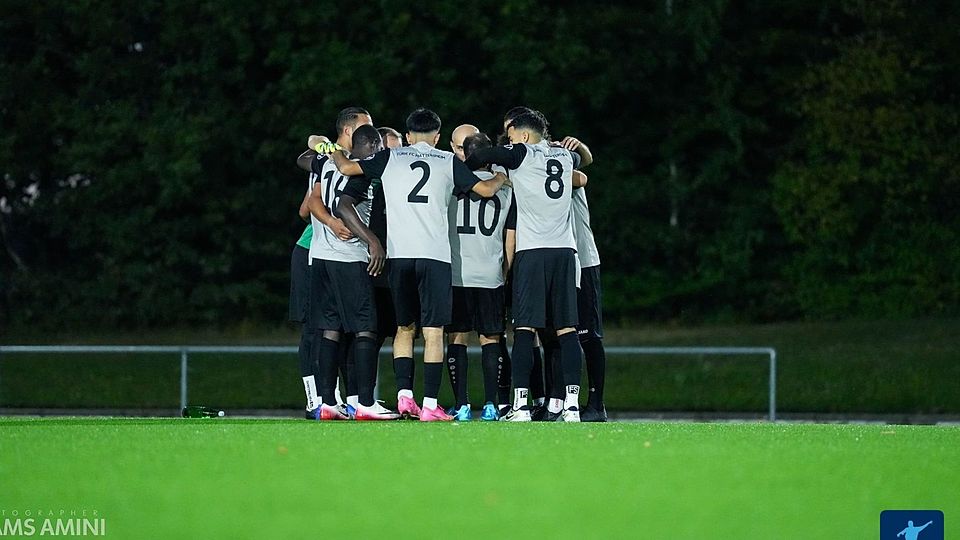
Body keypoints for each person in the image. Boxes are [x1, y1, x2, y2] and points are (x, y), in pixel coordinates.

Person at [328, 107, 507, 421]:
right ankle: (429, 406)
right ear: (437, 137)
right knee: (434, 331)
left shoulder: (390, 158)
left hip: (399, 255)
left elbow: (345, 166)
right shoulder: (448, 161)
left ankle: (404, 397)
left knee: (403, 328)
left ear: (408, 135)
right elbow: (485, 189)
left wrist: (324, 146)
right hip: (434, 256)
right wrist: (503, 176)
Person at [465, 110, 591, 422]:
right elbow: (584, 163)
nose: (508, 142)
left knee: (524, 329)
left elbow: (479, 154)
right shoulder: (563, 155)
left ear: (522, 136)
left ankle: (520, 405)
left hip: (533, 252)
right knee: (567, 329)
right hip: (565, 252)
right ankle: (573, 405)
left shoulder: (520, 152)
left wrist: (469, 171)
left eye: (510, 137)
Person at [296, 106, 381, 420]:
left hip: (320, 255)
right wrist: (350, 229)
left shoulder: (323, 159)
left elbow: (313, 200)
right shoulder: (357, 165)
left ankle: (328, 402)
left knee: (330, 328)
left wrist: (329, 223)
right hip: (349, 255)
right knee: (365, 328)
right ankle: (365, 403)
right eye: (365, 128)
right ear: (349, 131)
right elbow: (332, 204)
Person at [444, 131, 515, 421]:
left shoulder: (451, 183)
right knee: (491, 339)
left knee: (457, 338)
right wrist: (506, 271)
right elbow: (510, 237)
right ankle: (490, 405)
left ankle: (461, 404)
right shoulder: (507, 188)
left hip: (457, 272)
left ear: (466, 154)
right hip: (490, 273)